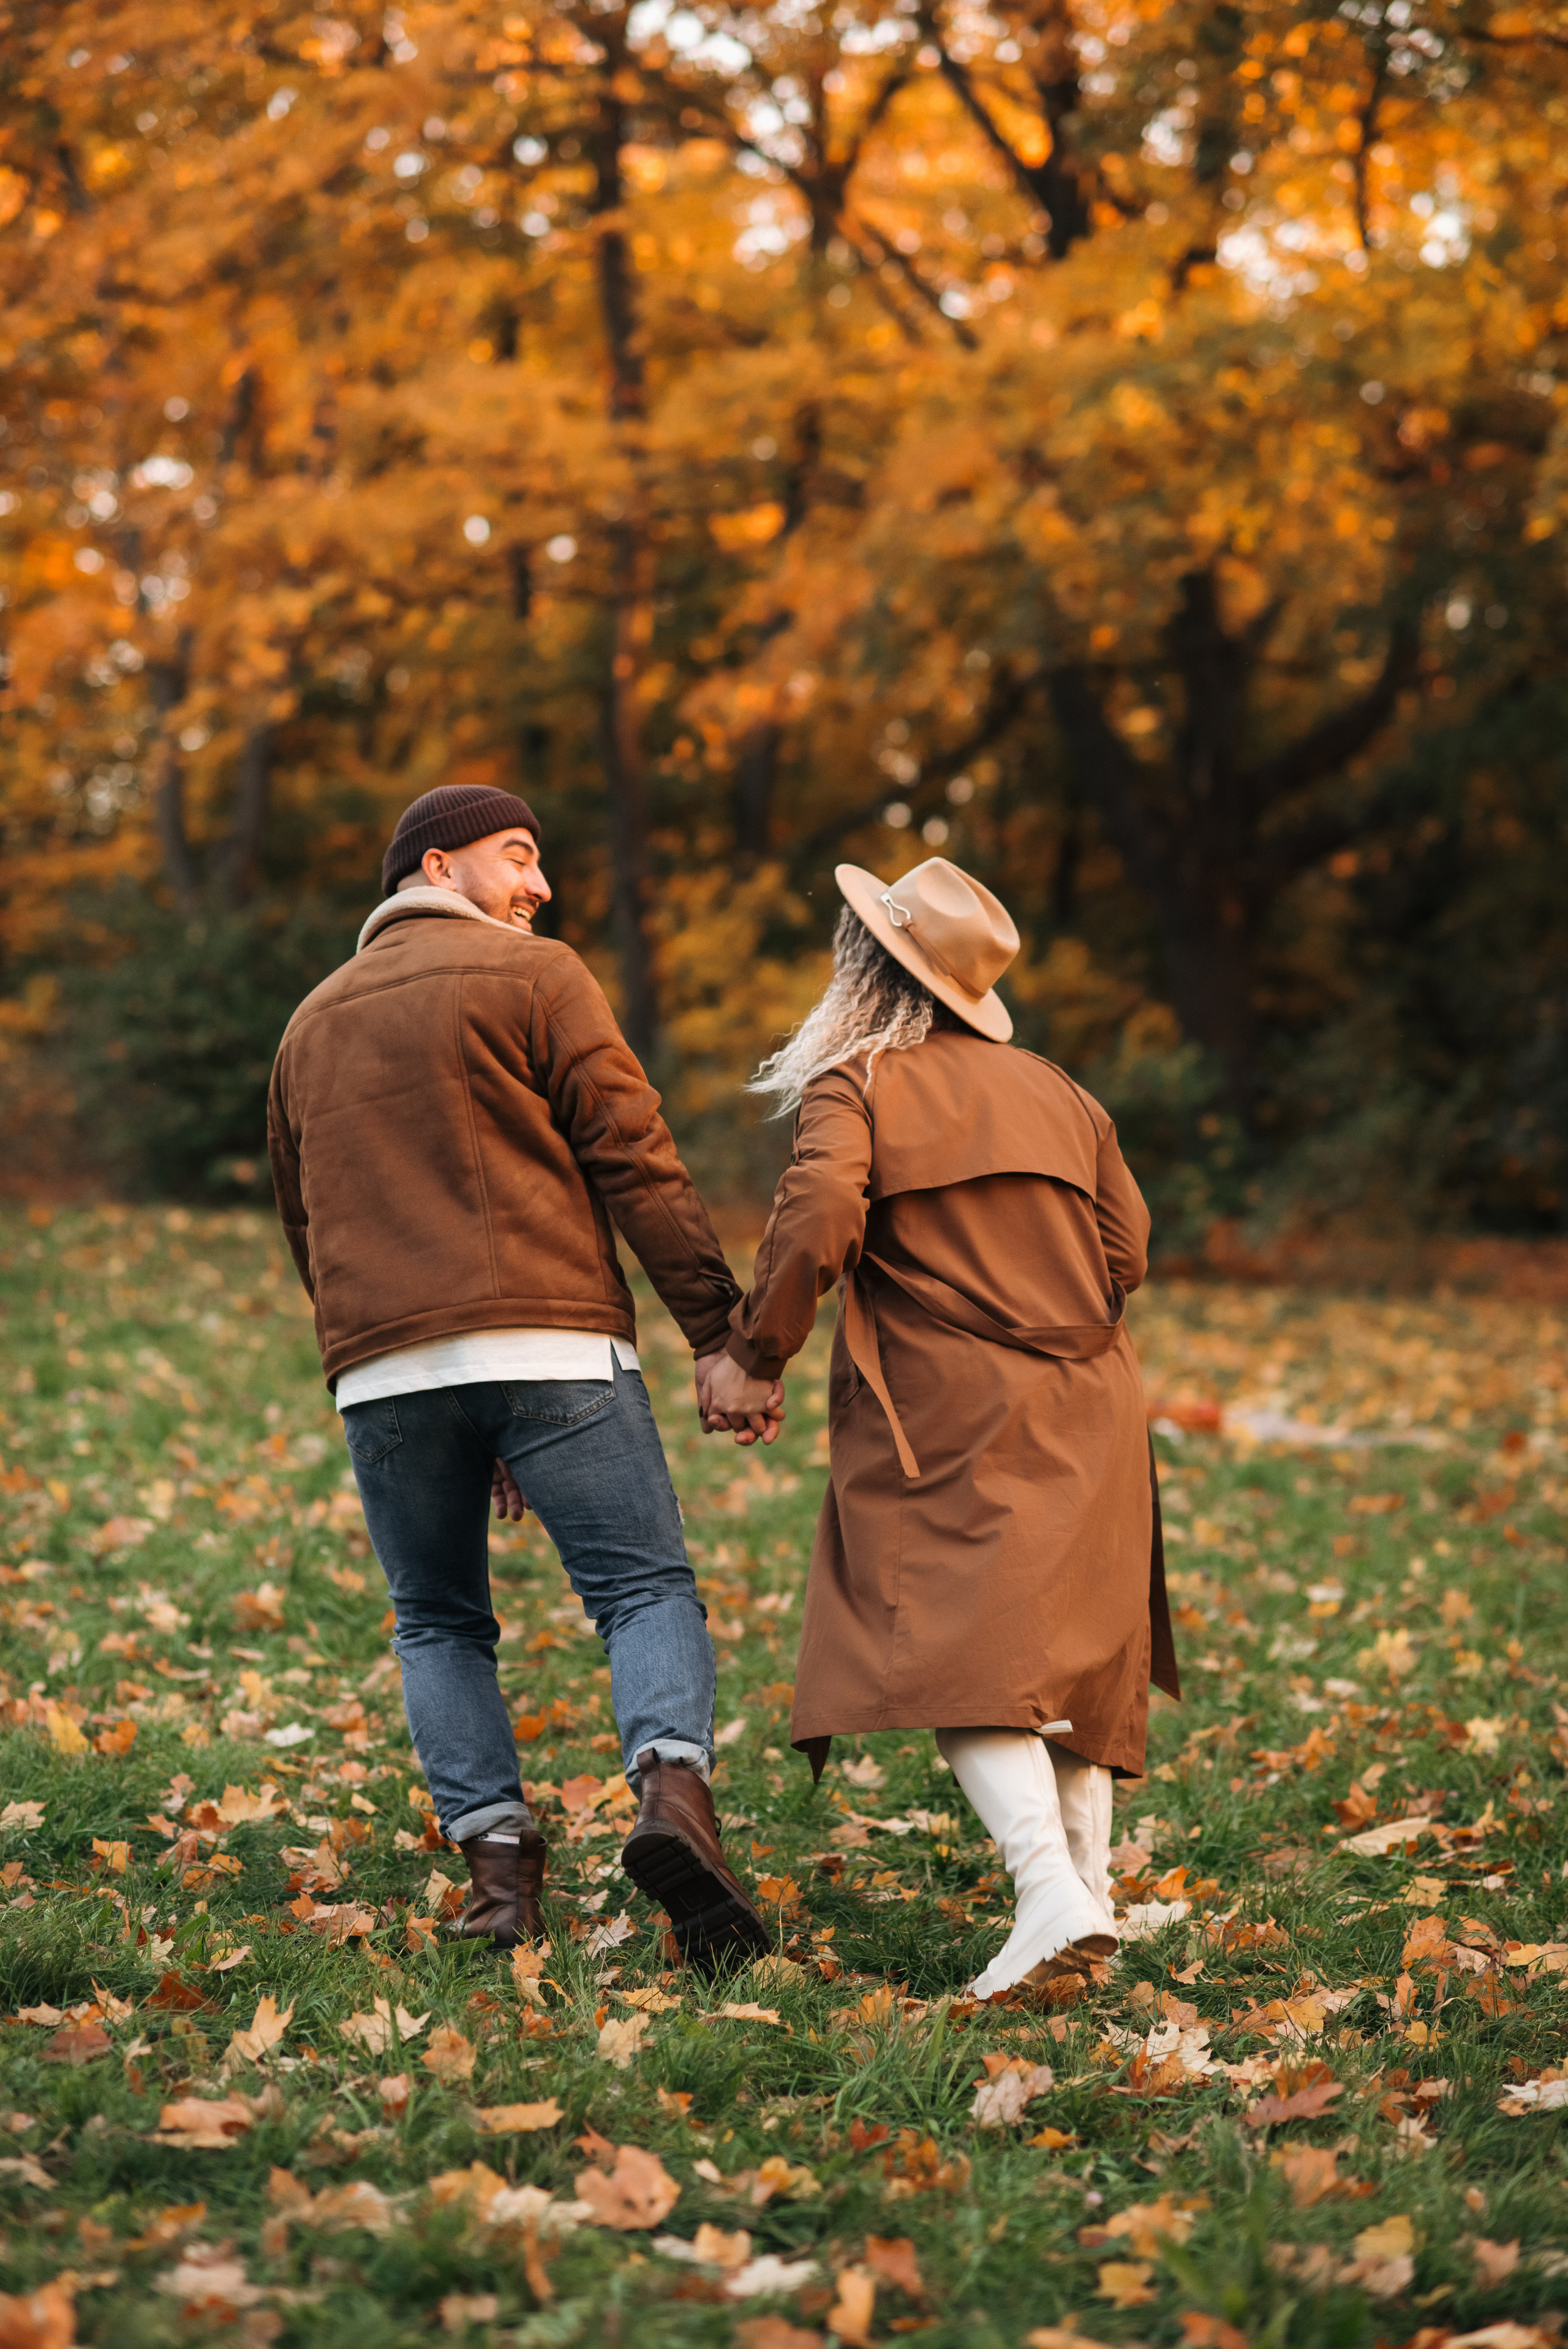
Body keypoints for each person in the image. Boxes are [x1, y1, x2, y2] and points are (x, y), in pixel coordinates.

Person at [267, 774, 780, 1968]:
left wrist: (376, 1357)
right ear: (436, 866)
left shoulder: (307, 1026)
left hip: (385, 1373)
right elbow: (634, 1156)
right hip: (551, 1344)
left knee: (436, 1621)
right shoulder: (537, 977)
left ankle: (499, 1883)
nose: (540, 883)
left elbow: (306, 1225)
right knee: (642, 1590)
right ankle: (673, 1802)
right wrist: (719, 1333)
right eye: (515, 854)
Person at [703, 857, 1180, 1999]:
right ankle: (1087, 1901)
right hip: (1093, 1397)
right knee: (1070, 1654)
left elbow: (821, 1211)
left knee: (954, 1654)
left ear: (864, 970)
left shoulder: (859, 1081)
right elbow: (1129, 1251)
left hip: (950, 1404)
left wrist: (754, 1354)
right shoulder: (1062, 1090)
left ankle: (1051, 1893)